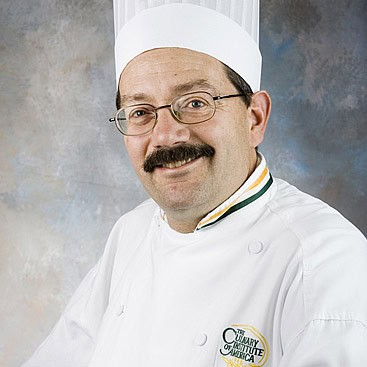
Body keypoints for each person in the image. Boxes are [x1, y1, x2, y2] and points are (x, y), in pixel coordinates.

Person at [23, 1, 367, 366]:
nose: (166, 135)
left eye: (195, 102)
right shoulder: (131, 233)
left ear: (255, 118)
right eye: (141, 112)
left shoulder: (325, 263)